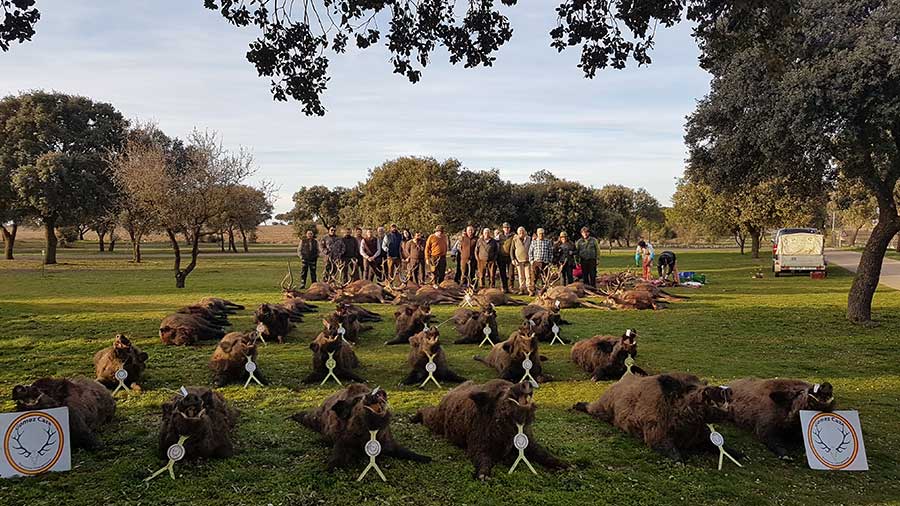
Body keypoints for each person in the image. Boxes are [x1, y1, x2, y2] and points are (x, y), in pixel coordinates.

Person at [511, 226, 532, 295]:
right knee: (521, 276)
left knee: (528, 276)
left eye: (523, 231)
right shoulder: (515, 239)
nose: (521, 232)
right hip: (518, 261)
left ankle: (530, 290)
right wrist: (513, 259)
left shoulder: (529, 239)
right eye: (520, 231)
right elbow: (512, 250)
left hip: (527, 260)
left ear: (525, 232)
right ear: (518, 232)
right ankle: (522, 289)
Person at [497, 222, 515, 292]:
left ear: (509, 228)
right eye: (505, 228)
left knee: (511, 273)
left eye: (508, 228)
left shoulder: (513, 236)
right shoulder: (499, 236)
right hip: (501, 257)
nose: (506, 229)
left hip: (510, 257)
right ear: (503, 229)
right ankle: (504, 287)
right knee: (502, 273)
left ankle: (511, 287)